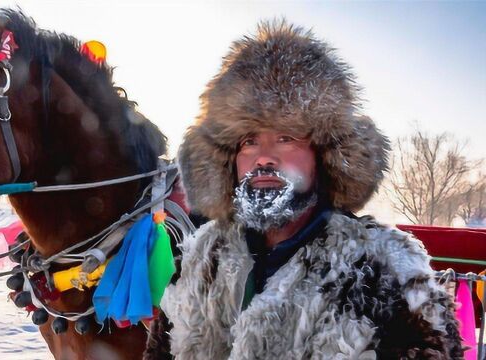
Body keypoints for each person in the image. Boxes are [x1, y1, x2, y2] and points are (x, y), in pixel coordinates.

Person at [159, 21, 464, 359]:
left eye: (286, 138)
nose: (263, 157)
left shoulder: (386, 272)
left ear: (324, 156)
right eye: (249, 141)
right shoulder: (200, 260)